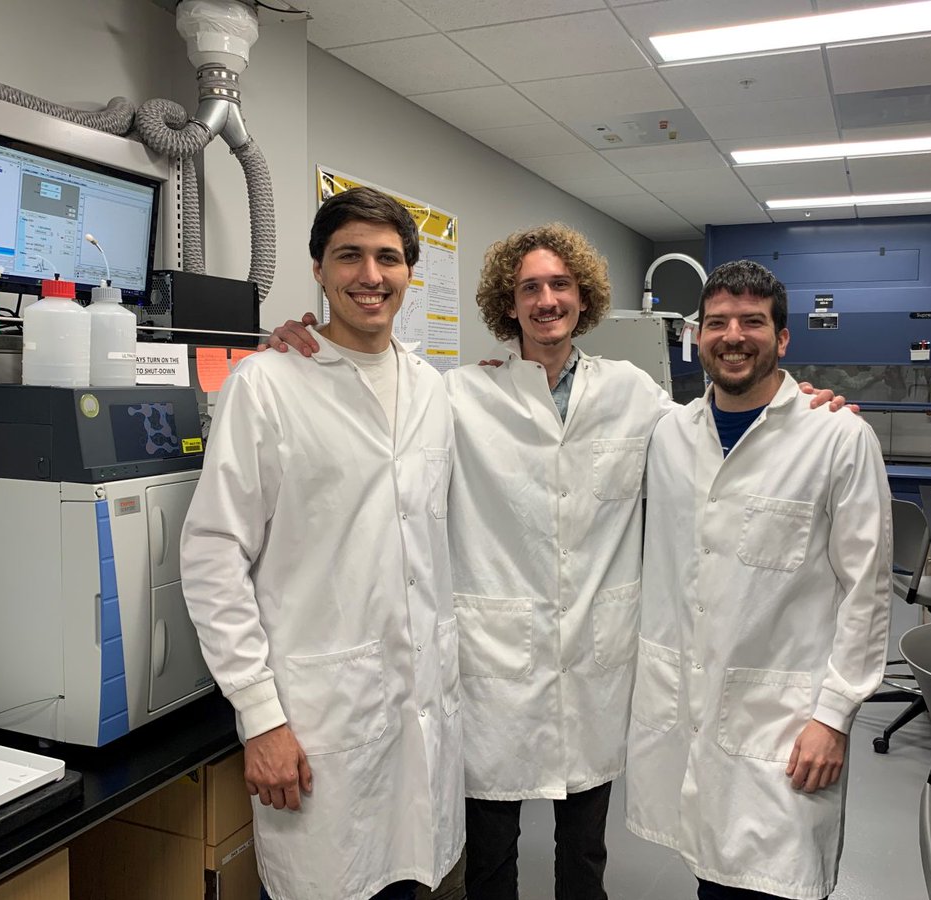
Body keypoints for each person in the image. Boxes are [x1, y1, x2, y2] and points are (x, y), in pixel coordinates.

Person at [266, 224, 846, 900]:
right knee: (489, 860)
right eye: (530, 288)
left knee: (584, 858)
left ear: (583, 297)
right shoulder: (459, 394)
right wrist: (305, 344)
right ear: (507, 304)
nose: (547, 299)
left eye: (560, 285)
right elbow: (373, 379)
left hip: (593, 663)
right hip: (494, 667)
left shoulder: (631, 393)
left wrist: (802, 404)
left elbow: (714, 427)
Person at [180, 186, 464, 900]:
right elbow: (214, 553)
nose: (371, 275)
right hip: (316, 724)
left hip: (420, 720)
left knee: (412, 883)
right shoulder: (267, 383)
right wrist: (261, 717)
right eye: (350, 256)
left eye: (388, 258)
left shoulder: (434, 388)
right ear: (318, 268)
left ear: (409, 272)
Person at [624, 260, 893, 900]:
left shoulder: (839, 437)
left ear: (783, 338)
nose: (733, 336)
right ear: (697, 338)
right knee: (708, 870)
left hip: (788, 723)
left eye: (752, 322)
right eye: (716, 323)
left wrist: (835, 716)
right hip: (689, 708)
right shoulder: (667, 434)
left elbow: (868, 590)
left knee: (775, 881)